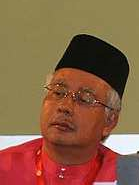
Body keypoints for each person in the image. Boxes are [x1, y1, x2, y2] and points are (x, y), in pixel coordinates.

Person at [0, 34, 130, 183]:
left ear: (109, 121)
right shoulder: (4, 169)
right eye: (58, 92)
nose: (64, 106)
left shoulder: (125, 178)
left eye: (84, 99)